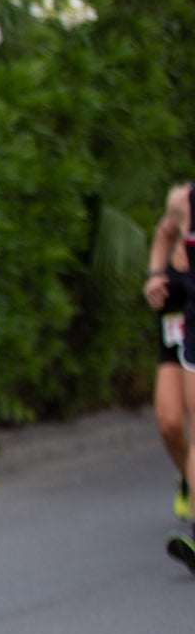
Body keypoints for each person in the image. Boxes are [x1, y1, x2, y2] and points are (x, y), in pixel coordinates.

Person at [145, 181, 195, 570]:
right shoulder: (182, 201)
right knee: (169, 424)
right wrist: (153, 276)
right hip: (176, 325)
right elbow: (163, 234)